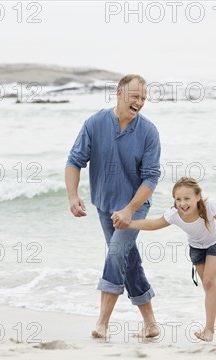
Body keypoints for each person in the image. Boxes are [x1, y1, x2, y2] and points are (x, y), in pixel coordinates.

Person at [65, 74, 161, 340]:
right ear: (119, 94)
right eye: (135, 97)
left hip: (135, 207)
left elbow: (151, 177)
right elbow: (74, 161)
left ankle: (102, 323)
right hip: (105, 205)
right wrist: (73, 196)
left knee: (117, 253)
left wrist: (130, 209)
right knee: (128, 259)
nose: (140, 102)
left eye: (143, 98)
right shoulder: (95, 124)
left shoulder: (149, 132)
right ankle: (151, 323)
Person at [126, 177, 216, 344]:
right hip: (197, 247)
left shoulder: (209, 205)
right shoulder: (174, 214)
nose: (182, 203)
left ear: (198, 196)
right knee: (209, 286)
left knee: (208, 281)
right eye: (178, 199)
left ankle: (209, 329)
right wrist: (128, 223)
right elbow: (154, 224)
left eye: (187, 198)